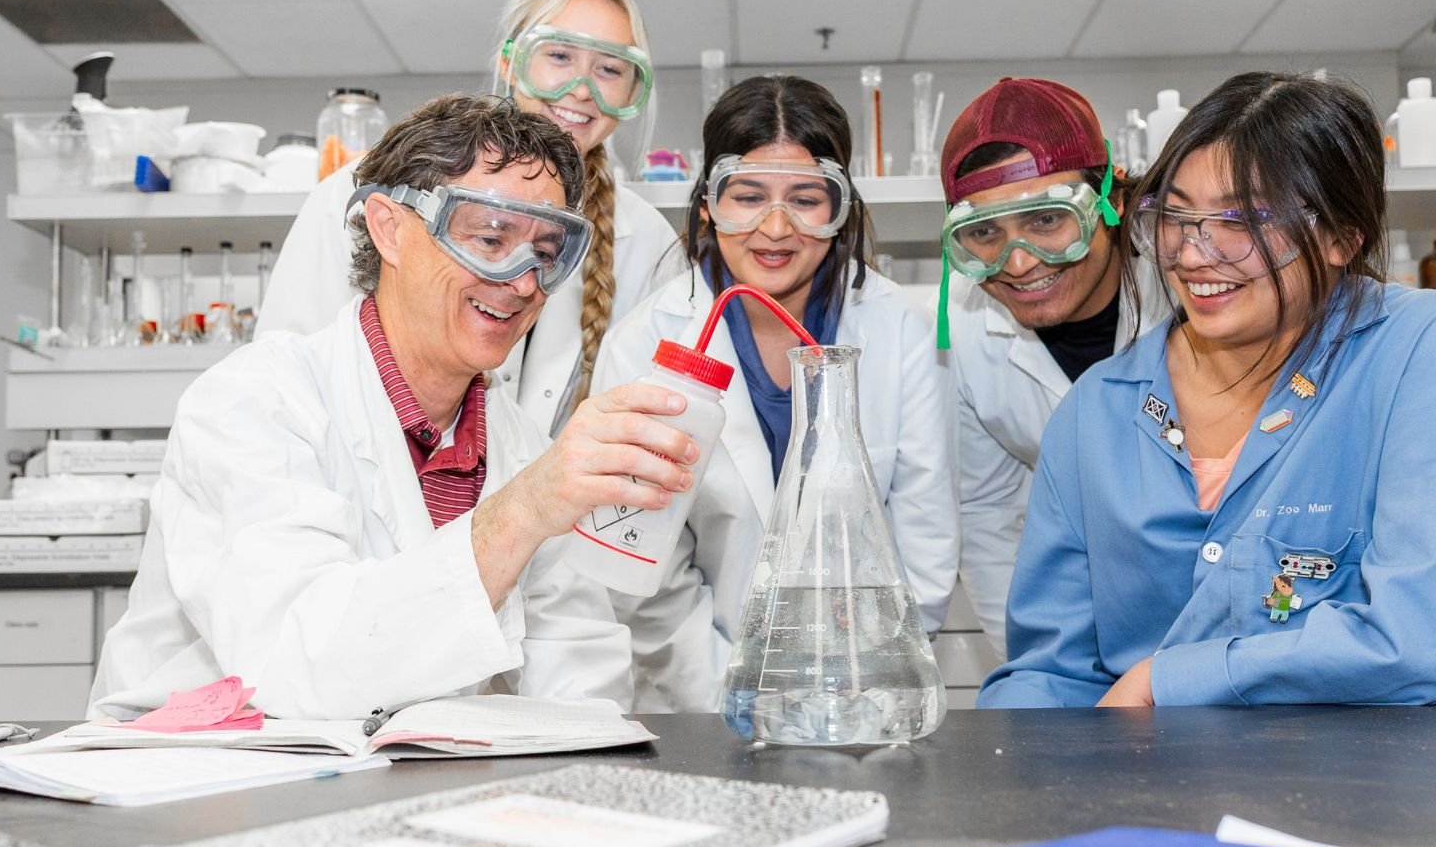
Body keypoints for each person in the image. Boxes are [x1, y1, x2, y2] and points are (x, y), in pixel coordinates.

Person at [90, 95, 701, 720]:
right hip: (198, 779)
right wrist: (524, 509)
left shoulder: (518, 444)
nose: (523, 282)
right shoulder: (254, 403)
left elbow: (578, 667)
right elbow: (298, 666)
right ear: (389, 227)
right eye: (491, 237)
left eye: (546, 254)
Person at [980, 71, 1436, 708]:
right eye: (1176, 215)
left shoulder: (1413, 352)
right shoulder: (1098, 409)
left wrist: (1166, 680)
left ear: (1340, 236)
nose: (1194, 253)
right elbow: (1050, 671)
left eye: (1241, 219)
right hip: (1140, 783)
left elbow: (1414, 636)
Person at [592, 75, 956, 714]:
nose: (776, 227)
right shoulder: (642, 345)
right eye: (749, 196)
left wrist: (873, 678)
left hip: (869, 690)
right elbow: (651, 570)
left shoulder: (898, 328)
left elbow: (922, 529)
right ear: (708, 203)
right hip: (705, 694)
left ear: (842, 208)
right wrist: (734, 697)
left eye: (807, 199)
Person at [257, 0, 677, 433]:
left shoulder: (648, 240)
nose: (581, 89)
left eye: (609, 70)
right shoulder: (366, 189)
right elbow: (283, 379)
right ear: (509, 62)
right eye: (559, 56)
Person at [935, 77, 1163, 655]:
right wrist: (1037, 663)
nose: (1017, 263)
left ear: (1108, 199)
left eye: (1046, 221)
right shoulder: (965, 329)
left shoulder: (1186, 291)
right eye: (983, 233)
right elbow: (988, 517)